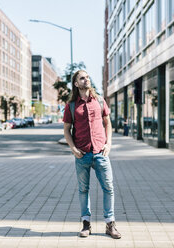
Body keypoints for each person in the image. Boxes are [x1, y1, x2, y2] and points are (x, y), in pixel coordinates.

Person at [63, 70, 121, 239]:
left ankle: (110, 224)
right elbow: (66, 130)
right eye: (82, 78)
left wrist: (108, 143)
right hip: (82, 154)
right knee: (83, 190)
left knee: (109, 188)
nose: (86, 79)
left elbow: (107, 123)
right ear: (76, 84)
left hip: (101, 153)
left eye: (87, 77)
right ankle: (86, 224)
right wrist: (73, 149)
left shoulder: (100, 101)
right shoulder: (71, 106)